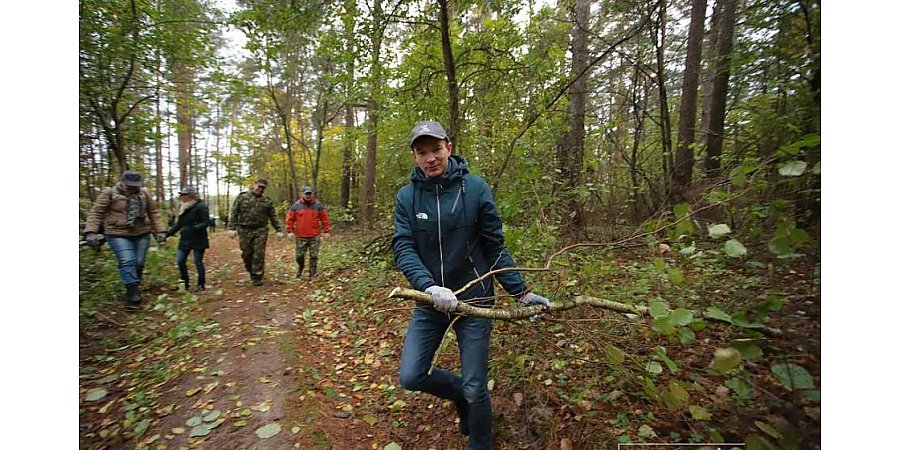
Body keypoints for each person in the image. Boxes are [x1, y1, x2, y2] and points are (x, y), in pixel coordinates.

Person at [392, 121, 550, 449]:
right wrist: (429, 287)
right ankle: (459, 395)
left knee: (477, 387)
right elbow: (404, 247)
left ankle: (480, 440)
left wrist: (521, 293)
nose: (430, 158)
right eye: (422, 152)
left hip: (475, 301)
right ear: (414, 156)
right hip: (430, 301)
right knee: (411, 376)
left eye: (436, 149)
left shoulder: (475, 188)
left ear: (448, 147)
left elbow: (494, 246)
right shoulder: (407, 197)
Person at [83, 170, 166, 309]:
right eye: (130, 185)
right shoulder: (109, 193)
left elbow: (153, 212)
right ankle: (132, 292)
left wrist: (160, 230)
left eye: (136, 185)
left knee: (139, 263)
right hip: (117, 233)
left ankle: (134, 283)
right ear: (122, 181)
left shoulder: (144, 193)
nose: (134, 188)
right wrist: (91, 231)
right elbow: (96, 213)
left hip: (142, 232)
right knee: (127, 260)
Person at [227, 178, 284, 286]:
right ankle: (250, 269)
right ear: (254, 185)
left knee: (259, 253)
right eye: (259, 187)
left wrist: (279, 230)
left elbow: (273, 216)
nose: (260, 189)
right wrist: (231, 228)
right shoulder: (242, 197)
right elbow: (234, 212)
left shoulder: (267, 201)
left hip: (260, 230)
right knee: (247, 253)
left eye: (263, 188)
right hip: (244, 229)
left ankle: (257, 276)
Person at [166, 186, 210, 292]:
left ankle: (201, 284)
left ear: (191, 196)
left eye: (184, 195)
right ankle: (184, 283)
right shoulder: (183, 207)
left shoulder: (201, 206)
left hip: (198, 239)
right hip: (185, 239)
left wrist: (194, 228)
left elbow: (206, 222)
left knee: (197, 261)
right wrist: (167, 234)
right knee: (180, 261)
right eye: (181, 195)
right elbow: (179, 224)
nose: (181, 197)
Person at [285, 186, 332, 281]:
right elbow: (290, 218)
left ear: (312, 194)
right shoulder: (296, 206)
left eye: (310, 193)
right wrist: (289, 231)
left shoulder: (318, 205)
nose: (308, 195)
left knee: (314, 255)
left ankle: (313, 274)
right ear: (302, 194)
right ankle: (300, 267)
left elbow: (324, 218)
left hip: (314, 235)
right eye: (306, 194)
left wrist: (326, 231)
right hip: (300, 236)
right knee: (299, 256)